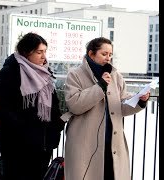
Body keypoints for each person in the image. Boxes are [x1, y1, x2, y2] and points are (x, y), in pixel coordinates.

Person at [63, 37, 150, 180]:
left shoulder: (115, 75)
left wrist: (140, 101)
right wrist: (100, 87)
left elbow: (122, 106)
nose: (108, 58)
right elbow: (75, 104)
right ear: (91, 54)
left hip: (112, 143)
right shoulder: (75, 74)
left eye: (110, 54)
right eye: (104, 54)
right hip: (85, 145)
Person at [0, 32, 65, 180]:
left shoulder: (46, 74)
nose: (43, 56)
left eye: (45, 52)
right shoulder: (10, 72)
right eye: (39, 52)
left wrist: (56, 128)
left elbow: (54, 107)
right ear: (26, 53)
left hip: (42, 146)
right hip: (17, 147)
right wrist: (22, 130)